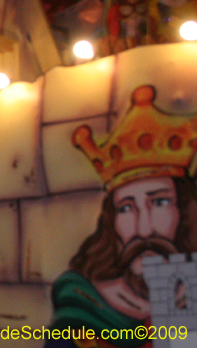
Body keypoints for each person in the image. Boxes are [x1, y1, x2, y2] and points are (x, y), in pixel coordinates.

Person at [46, 85, 197, 348]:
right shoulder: (80, 304)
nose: (144, 229)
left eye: (160, 203)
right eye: (126, 208)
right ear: (111, 221)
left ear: (185, 213)